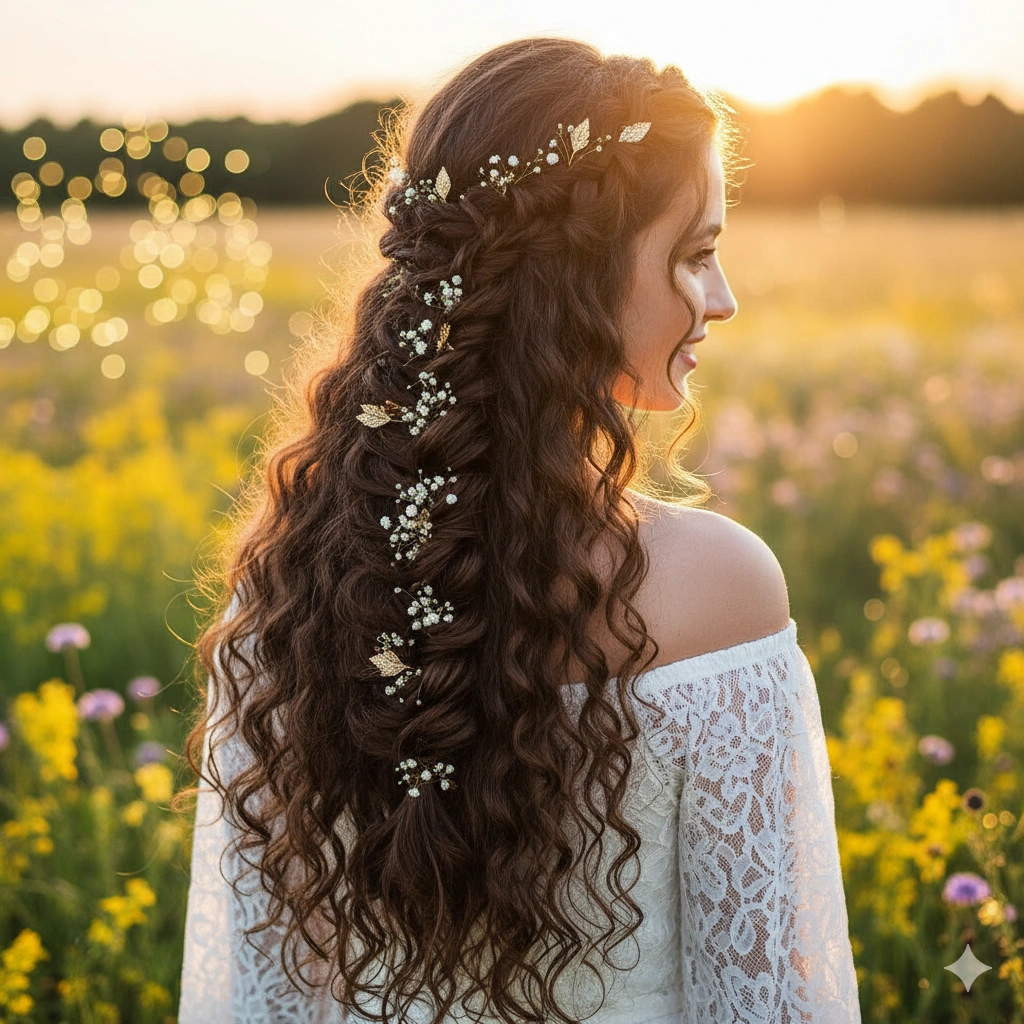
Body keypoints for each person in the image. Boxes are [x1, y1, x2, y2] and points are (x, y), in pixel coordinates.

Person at [176, 35, 862, 1024]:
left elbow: (266, 999)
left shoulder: (286, 586)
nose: (722, 298)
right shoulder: (717, 588)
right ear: (571, 274)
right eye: (695, 254)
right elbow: (764, 1006)